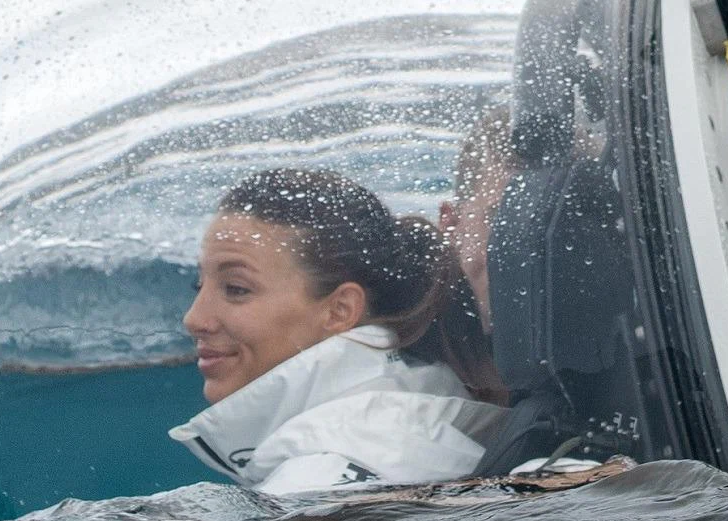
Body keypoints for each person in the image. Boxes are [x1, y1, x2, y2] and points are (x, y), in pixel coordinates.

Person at [170, 165, 506, 498]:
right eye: (198, 285)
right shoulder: (411, 412)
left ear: (340, 310)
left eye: (236, 289)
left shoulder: (321, 475)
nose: (194, 318)